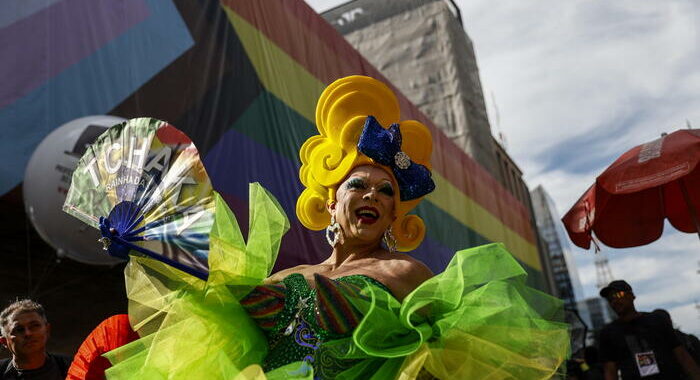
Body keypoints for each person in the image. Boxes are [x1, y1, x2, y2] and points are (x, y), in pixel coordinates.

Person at [74, 76, 570, 379]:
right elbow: (211, 308)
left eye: (386, 191)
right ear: (331, 202)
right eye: (358, 186)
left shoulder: (407, 274)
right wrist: (150, 246)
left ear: (396, 214)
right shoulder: (284, 280)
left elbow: (452, 362)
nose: (372, 196)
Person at [598, 280, 700, 380]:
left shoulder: (657, 321)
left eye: (619, 295)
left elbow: (682, 356)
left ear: (631, 296)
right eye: (610, 299)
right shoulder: (608, 333)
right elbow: (610, 371)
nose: (614, 301)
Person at [0, 299, 71, 380]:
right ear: (4, 341)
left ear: (47, 330)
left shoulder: (73, 368)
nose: (28, 333)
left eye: (34, 326)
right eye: (19, 329)